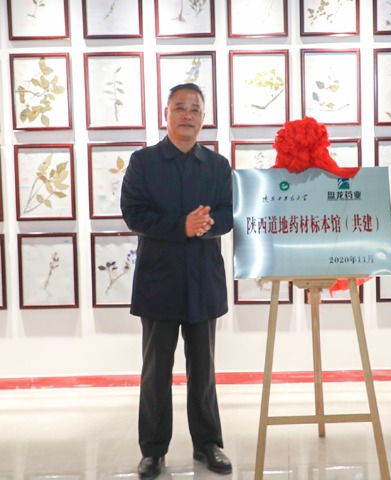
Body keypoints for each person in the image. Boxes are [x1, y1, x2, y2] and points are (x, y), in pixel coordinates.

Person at [121, 83, 233, 479]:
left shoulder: (217, 165)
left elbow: (229, 213)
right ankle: (153, 451)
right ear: (166, 114)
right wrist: (180, 226)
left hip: (204, 280)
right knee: (156, 372)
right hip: (159, 281)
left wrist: (204, 225)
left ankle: (208, 444)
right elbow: (134, 213)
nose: (188, 114)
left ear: (204, 118)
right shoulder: (144, 162)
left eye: (195, 109)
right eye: (180, 107)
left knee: (203, 370)